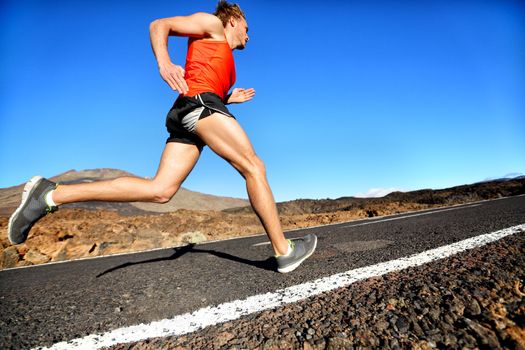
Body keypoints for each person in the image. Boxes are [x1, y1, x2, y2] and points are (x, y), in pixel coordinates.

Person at [7, 1, 317, 273]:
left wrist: (227, 97)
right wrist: (165, 63)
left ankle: (50, 195)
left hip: (192, 111)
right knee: (254, 167)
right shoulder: (213, 26)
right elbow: (160, 24)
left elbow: (205, 77)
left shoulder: (225, 60)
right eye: (247, 28)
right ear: (233, 18)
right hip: (200, 104)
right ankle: (284, 251)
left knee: (161, 190)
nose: (248, 36)